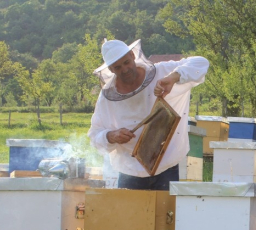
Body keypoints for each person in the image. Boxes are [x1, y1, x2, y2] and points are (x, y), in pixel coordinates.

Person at [88, 39, 209, 190]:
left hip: (166, 165)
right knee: (127, 214)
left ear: (132, 55)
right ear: (111, 69)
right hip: (129, 171)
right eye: (118, 67)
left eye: (126, 62)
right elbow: (94, 134)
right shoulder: (107, 97)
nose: (125, 70)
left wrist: (173, 78)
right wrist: (111, 135)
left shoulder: (161, 71)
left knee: (165, 213)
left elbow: (201, 62)